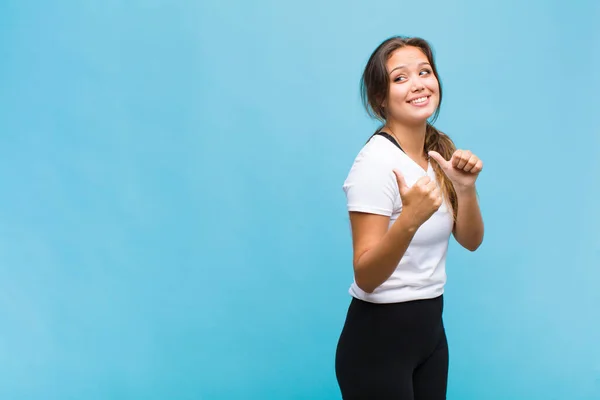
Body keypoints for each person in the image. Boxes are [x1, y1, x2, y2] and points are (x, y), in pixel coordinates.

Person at [334, 36, 485, 399]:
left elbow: (471, 241)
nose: (418, 83)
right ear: (380, 98)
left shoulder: (438, 155)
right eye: (400, 78)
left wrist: (464, 188)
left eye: (424, 72)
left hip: (431, 335)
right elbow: (366, 276)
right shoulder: (375, 164)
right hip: (377, 345)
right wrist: (409, 220)